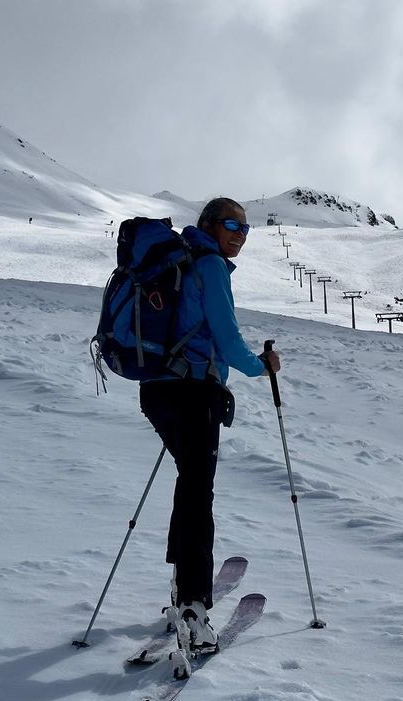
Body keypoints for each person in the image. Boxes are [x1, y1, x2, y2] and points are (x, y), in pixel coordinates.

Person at [139, 197, 279, 660]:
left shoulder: (180, 260)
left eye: (246, 229)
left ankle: (182, 589)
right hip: (193, 392)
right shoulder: (210, 265)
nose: (240, 235)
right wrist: (261, 366)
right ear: (209, 225)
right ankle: (194, 609)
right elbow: (227, 336)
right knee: (198, 493)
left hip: (157, 390)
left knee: (190, 485)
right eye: (232, 225)